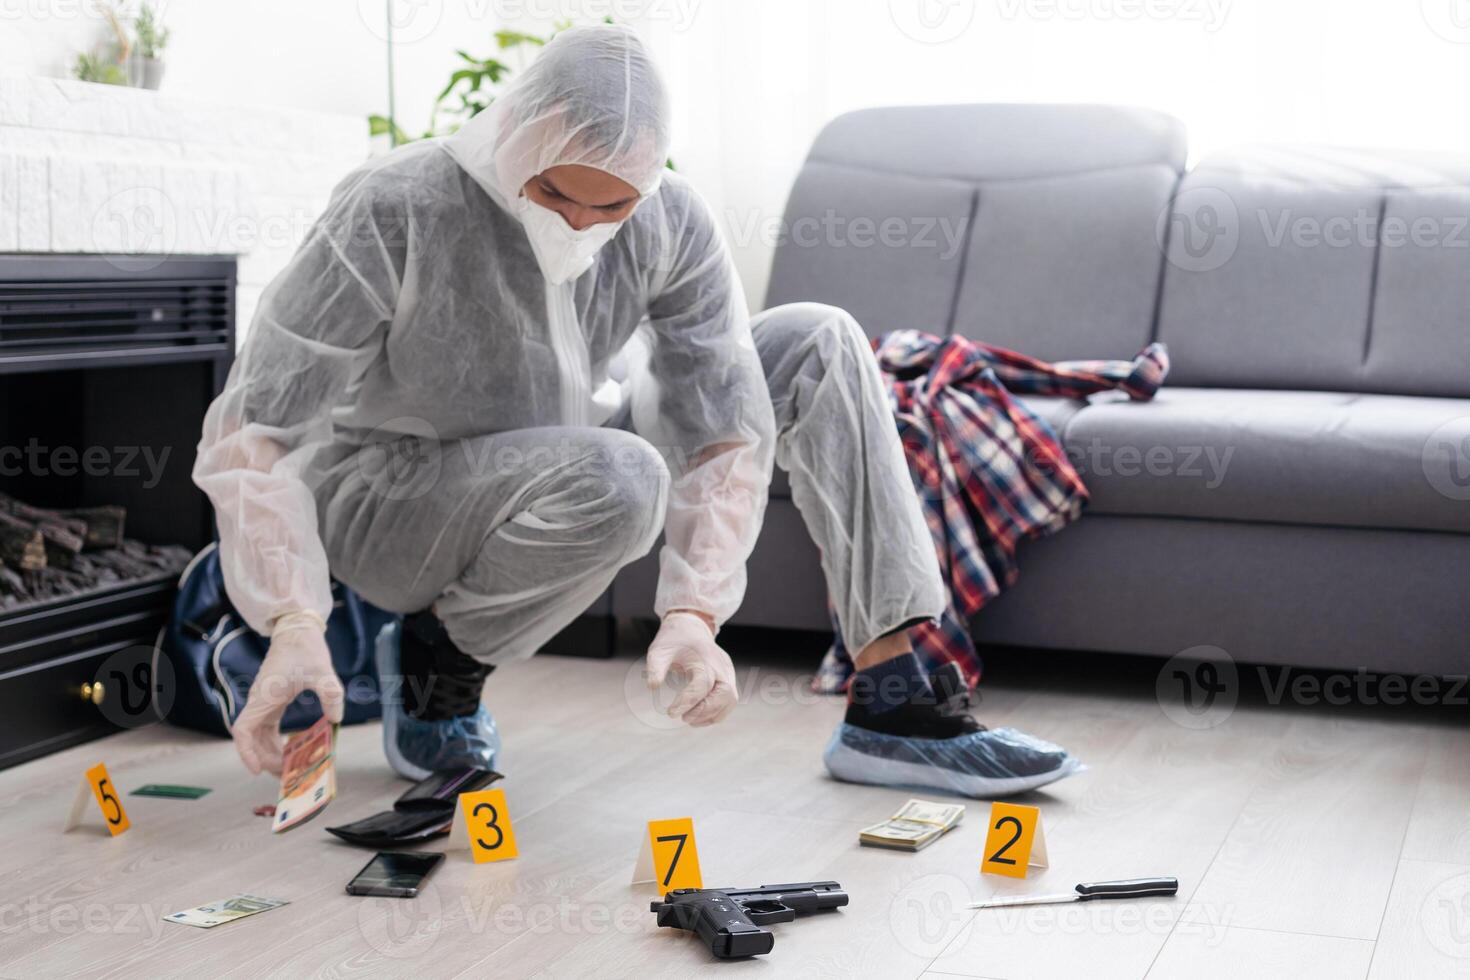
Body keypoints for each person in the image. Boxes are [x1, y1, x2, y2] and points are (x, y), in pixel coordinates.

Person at [194, 25, 1079, 797]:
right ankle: (439, 671)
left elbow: (726, 418)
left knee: (820, 338)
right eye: (553, 194)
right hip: (393, 494)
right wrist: (294, 619)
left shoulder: (670, 217)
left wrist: (695, 611)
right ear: (512, 141)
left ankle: (896, 702)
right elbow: (256, 429)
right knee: (622, 473)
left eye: (609, 205)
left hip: (575, 449)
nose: (580, 224)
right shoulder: (398, 205)